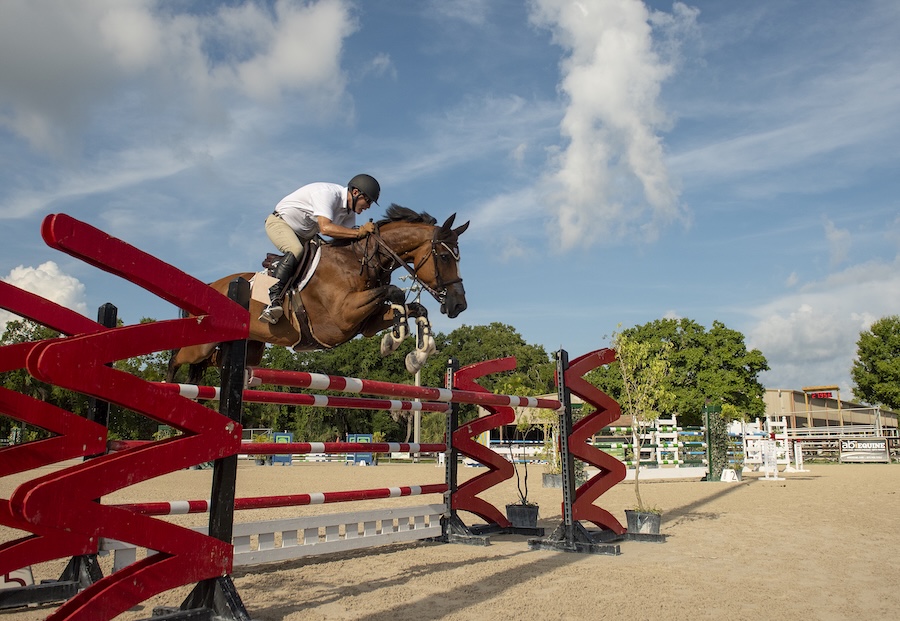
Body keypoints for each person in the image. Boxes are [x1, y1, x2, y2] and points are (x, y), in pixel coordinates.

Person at [259, 173, 381, 324]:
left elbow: (347, 242)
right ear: (356, 192)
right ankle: (272, 299)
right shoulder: (328, 194)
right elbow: (325, 228)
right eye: (367, 201)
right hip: (280, 223)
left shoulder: (348, 214)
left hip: (305, 234)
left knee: (325, 259)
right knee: (296, 250)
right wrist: (359, 232)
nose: (368, 206)